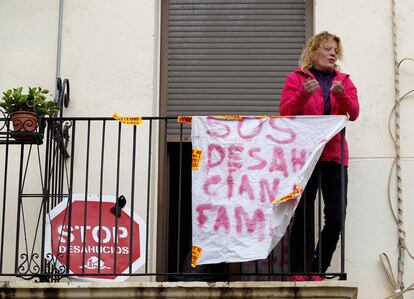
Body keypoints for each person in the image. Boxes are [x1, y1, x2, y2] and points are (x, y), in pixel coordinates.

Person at [279, 31, 359, 281]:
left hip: (335, 158)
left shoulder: (344, 81)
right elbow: (285, 112)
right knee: (302, 215)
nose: (333, 53)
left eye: (336, 49)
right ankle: (296, 272)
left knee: (336, 217)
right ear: (314, 52)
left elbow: (354, 113)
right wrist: (303, 93)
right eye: (327, 48)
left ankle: (317, 269)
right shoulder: (296, 79)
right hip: (306, 157)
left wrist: (341, 95)